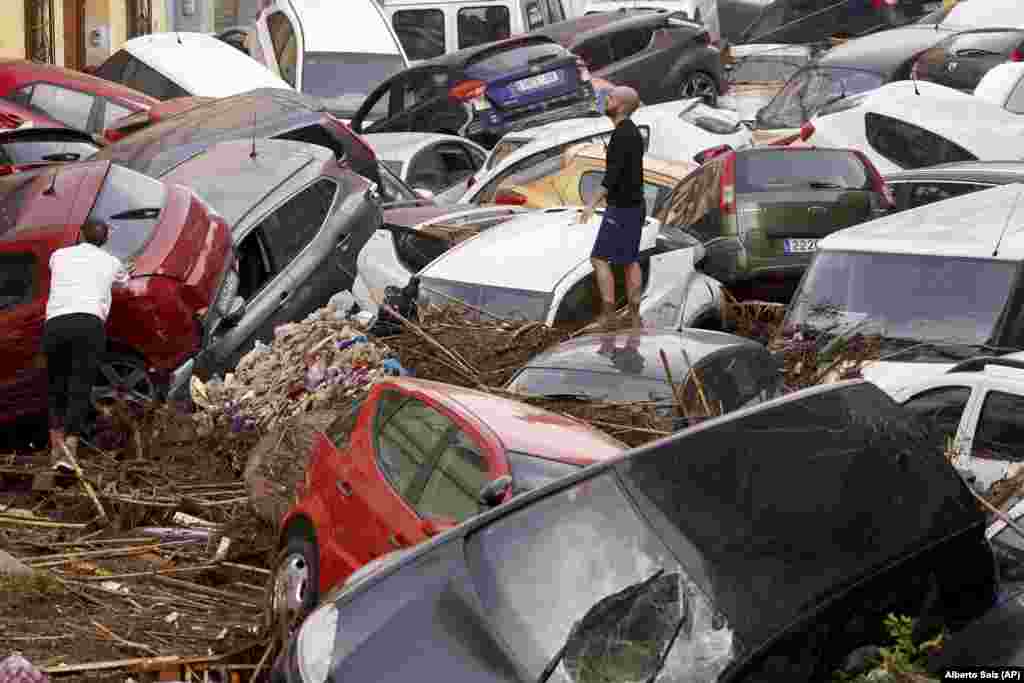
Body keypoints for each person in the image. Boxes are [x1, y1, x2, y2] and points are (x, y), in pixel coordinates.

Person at [43, 219, 129, 469]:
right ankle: (69, 451)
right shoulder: (112, 262)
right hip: (89, 324)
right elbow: (124, 281)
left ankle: (55, 449)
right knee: (79, 385)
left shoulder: (58, 255)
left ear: (80, 234)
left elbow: (58, 271)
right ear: (106, 241)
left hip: (56, 324)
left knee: (56, 386)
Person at [579, 85, 645, 330]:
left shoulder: (621, 134)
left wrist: (590, 205)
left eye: (611, 97)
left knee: (598, 258)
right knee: (629, 259)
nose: (606, 100)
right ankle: (634, 316)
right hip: (635, 206)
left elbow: (612, 177)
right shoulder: (633, 133)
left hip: (622, 208)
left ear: (623, 106)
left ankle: (609, 316)